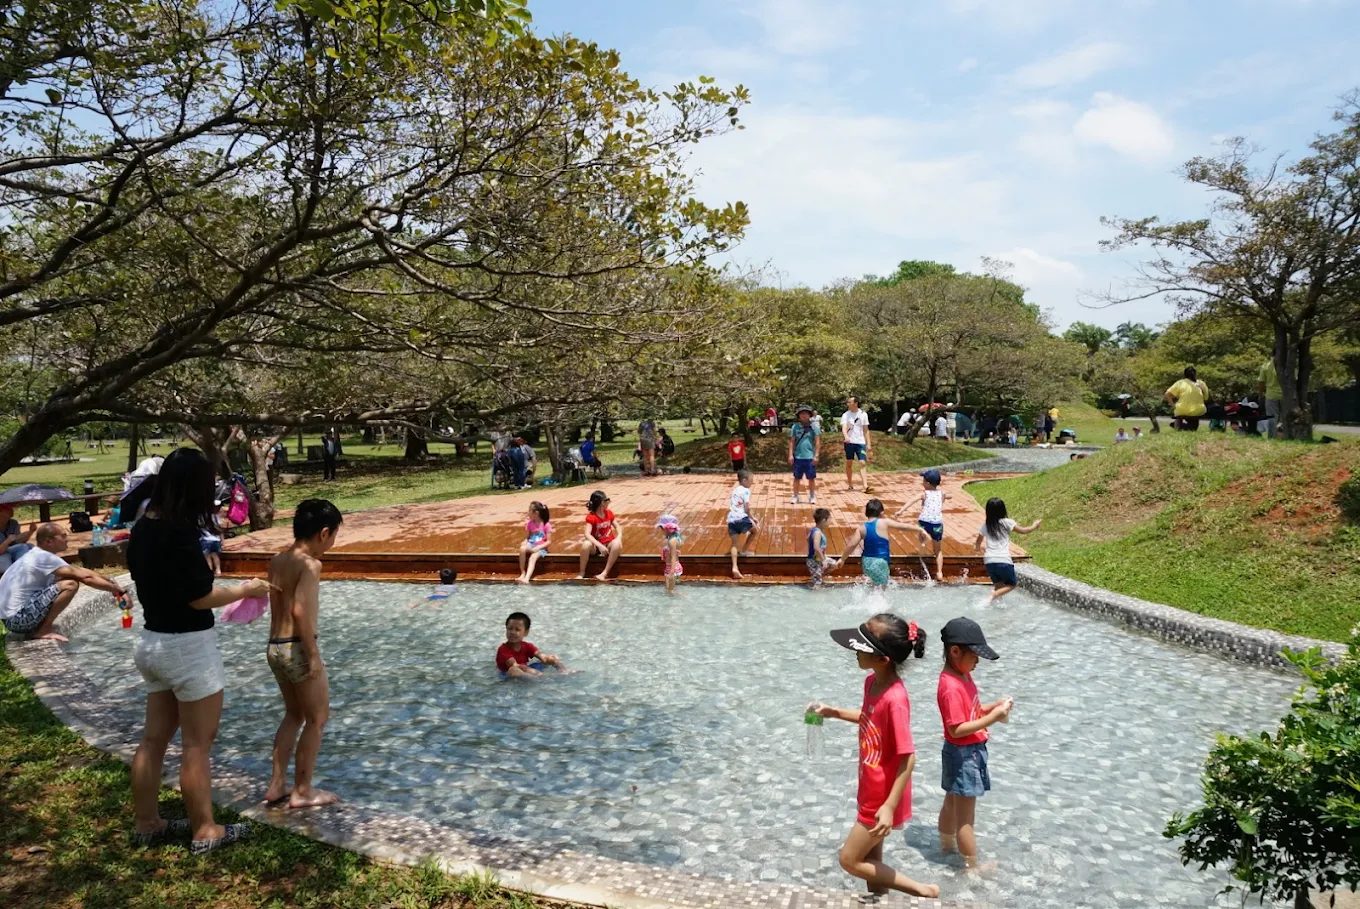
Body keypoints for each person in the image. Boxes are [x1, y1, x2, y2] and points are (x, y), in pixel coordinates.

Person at [128, 448, 272, 852]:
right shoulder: (180, 533)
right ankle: (205, 831)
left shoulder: (143, 528)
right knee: (196, 745)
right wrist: (248, 588)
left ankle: (147, 823)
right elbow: (199, 596)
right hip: (187, 649)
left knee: (153, 740)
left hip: (152, 643)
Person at [809, 614, 939, 900]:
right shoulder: (872, 683)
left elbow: (908, 757)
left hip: (882, 797)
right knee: (871, 859)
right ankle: (879, 900)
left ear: (883, 660)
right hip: (870, 785)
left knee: (850, 860)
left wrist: (889, 806)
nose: (856, 650)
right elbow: (869, 719)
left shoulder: (895, 699)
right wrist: (833, 712)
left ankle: (922, 890)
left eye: (862, 646)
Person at [262, 498, 344, 810]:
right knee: (317, 718)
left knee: (293, 714)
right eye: (334, 535)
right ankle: (302, 790)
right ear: (324, 533)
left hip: (275, 647)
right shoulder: (311, 564)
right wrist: (312, 655)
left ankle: (276, 785)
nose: (333, 542)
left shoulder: (278, 559)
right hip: (297, 646)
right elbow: (299, 610)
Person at [937, 616, 1012, 871]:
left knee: (951, 801)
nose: (978, 661)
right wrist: (993, 718)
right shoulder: (950, 686)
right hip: (964, 754)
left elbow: (972, 711)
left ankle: (946, 846)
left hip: (961, 753)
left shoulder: (962, 676)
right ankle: (972, 866)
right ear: (955, 651)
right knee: (966, 819)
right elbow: (956, 729)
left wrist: (993, 707)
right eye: (975, 656)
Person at [0, 523, 126, 641]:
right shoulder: (44, 557)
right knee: (70, 584)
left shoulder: (38, 554)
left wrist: (112, 583)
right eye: (63, 536)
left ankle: (41, 628)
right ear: (49, 541)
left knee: (66, 578)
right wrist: (119, 591)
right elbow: (86, 578)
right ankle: (44, 630)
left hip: (12, 619)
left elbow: (82, 571)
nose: (67, 539)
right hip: (18, 619)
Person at [831, 499, 926, 588]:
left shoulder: (862, 528)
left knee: (873, 585)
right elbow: (902, 526)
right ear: (882, 513)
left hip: (866, 563)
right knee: (882, 589)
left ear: (866, 513)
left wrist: (842, 559)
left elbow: (851, 545)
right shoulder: (884, 522)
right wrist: (919, 529)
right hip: (880, 562)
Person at [975, 497, 1041, 603]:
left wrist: (980, 550)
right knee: (1012, 584)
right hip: (1003, 560)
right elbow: (1024, 531)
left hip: (989, 561)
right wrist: (1035, 525)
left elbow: (977, 544)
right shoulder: (1007, 523)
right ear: (1003, 510)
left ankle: (996, 607)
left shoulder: (986, 525)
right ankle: (994, 595)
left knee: (999, 586)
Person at [897, 469, 949, 582]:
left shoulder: (924, 494)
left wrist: (901, 511)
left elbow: (911, 501)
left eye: (923, 481)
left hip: (924, 522)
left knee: (922, 541)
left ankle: (922, 556)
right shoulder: (942, 493)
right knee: (938, 550)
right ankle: (940, 572)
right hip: (937, 524)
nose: (922, 482)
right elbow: (944, 499)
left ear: (928, 484)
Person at [496, 611, 566, 679]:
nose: (512, 632)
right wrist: (536, 673)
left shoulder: (527, 646)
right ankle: (542, 678)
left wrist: (550, 659)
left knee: (552, 657)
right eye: (510, 629)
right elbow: (516, 666)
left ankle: (564, 671)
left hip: (527, 670)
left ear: (526, 632)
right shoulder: (503, 649)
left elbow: (542, 657)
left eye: (517, 629)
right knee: (513, 670)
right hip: (507, 675)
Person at [578, 490, 623, 581]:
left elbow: (618, 527)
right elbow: (587, 534)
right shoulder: (592, 517)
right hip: (597, 546)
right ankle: (582, 572)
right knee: (586, 544)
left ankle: (604, 573)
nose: (608, 503)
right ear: (602, 503)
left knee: (617, 544)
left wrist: (619, 537)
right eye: (607, 500)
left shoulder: (609, 513)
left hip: (608, 544)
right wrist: (599, 545)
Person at [726, 469, 759, 579]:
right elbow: (747, 507)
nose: (752, 482)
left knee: (734, 544)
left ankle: (734, 567)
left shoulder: (735, 490)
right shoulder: (746, 490)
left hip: (731, 519)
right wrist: (753, 518)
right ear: (744, 480)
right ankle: (744, 551)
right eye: (751, 480)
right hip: (741, 517)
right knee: (754, 531)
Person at [787, 404, 821, 505]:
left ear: (809, 415)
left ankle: (812, 496)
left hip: (810, 456)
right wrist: (790, 455)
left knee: (811, 478)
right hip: (798, 456)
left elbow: (818, 442)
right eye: (802, 414)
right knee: (797, 478)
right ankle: (795, 496)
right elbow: (792, 442)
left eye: (806, 413)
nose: (804, 415)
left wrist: (817, 455)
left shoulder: (814, 427)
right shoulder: (795, 427)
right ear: (799, 415)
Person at [840, 396, 872, 492]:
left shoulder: (863, 414)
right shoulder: (846, 415)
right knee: (849, 463)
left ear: (856, 403)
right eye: (847, 402)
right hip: (849, 442)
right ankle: (850, 484)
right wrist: (846, 437)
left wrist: (868, 444)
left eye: (849, 402)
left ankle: (865, 486)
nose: (848, 404)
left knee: (862, 462)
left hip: (860, 442)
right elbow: (844, 428)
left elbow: (866, 430)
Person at [1164, 366, 1209, 431]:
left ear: (1185, 374)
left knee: (1179, 412)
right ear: (1195, 374)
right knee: (1193, 429)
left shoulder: (1181, 382)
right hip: (1198, 410)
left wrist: (1172, 405)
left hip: (1182, 409)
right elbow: (1206, 398)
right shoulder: (1201, 383)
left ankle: (1177, 426)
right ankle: (1183, 426)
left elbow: (1167, 394)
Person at [517, 501, 551, 584]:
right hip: (532, 544)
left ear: (536, 513)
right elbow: (528, 537)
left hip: (542, 548)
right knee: (522, 549)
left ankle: (527, 578)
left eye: (529, 511)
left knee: (533, 557)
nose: (528, 513)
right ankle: (523, 573)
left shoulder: (546, 525)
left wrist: (538, 547)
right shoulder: (530, 524)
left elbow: (549, 541)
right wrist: (525, 542)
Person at [806, 507, 838, 587]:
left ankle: (820, 573)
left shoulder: (815, 530)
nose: (831, 521)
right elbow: (816, 547)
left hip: (820, 558)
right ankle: (816, 595)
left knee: (835, 564)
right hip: (814, 561)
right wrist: (823, 560)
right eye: (830, 519)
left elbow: (807, 538)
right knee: (817, 583)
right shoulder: (817, 533)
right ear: (824, 520)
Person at [0, 502, 34, 573]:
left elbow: (18, 542)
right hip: (2, 554)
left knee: (29, 547)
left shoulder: (13, 523)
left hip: (12, 550)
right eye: (8, 509)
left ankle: (23, 571)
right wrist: (7, 541)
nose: (11, 510)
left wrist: (31, 532)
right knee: (5, 565)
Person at [657, 513, 683, 594]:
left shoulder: (672, 541)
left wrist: (671, 572)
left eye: (661, 529)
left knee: (670, 590)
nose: (661, 531)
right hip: (672, 566)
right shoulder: (674, 538)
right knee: (670, 589)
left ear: (666, 529)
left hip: (672, 567)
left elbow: (673, 557)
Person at [1258, 356, 1283, 438]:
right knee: (1285, 418)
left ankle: (1272, 437)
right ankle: (1284, 436)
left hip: (1271, 395)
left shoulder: (1265, 366)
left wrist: (1262, 393)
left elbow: (1261, 382)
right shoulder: (1287, 365)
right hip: (1285, 396)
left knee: (1272, 418)